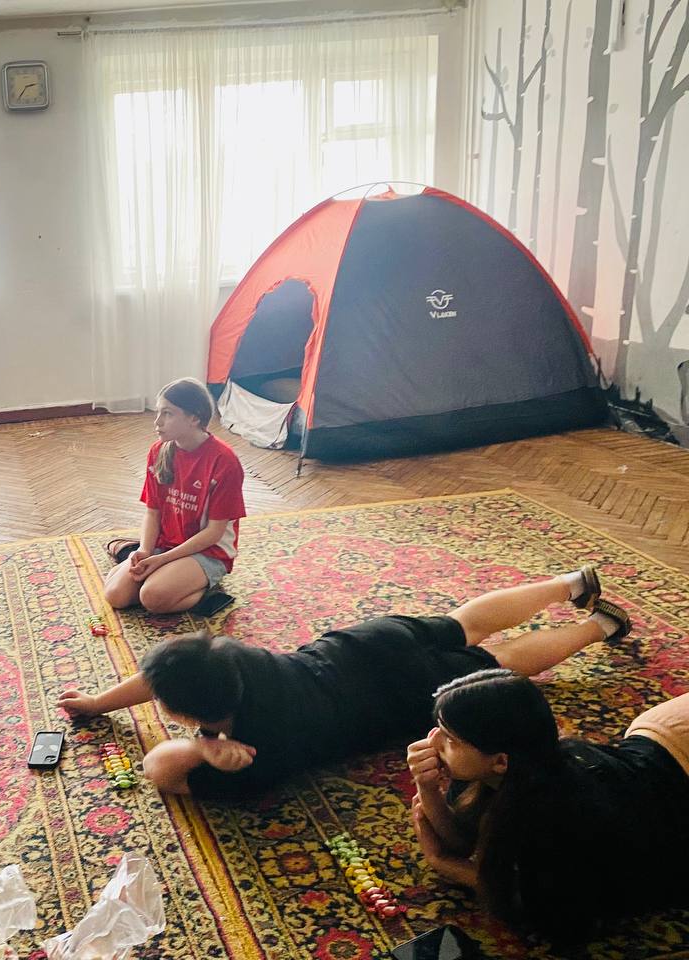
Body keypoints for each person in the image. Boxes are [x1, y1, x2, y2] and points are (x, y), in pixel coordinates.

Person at [58, 565, 629, 798]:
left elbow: (159, 769)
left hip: (395, 696)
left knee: (496, 662)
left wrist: (203, 748)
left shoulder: (259, 750)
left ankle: (599, 626)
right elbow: (164, 675)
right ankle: (570, 584)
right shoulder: (228, 655)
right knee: (463, 624)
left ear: (186, 713)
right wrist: (100, 702)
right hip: (364, 644)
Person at [407, 659, 689, 944]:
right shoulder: (504, 765)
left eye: (450, 738)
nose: (433, 741)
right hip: (658, 731)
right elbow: (463, 839)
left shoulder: (556, 819)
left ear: (501, 761)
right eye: (438, 728)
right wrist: (427, 786)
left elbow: (552, 911)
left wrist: (444, 863)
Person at [103, 378, 245, 615]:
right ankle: (150, 564)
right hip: (165, 543)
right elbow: (152, 512)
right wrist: (146, 550)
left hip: (208, 551)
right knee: (116, 595)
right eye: (158, 412)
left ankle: (206, 592)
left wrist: (161, 560)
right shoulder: (159, 451)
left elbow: (214, 533)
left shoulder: (224, 461)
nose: (157, 422)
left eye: (167, 413)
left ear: (194, 418)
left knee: (152, 597)